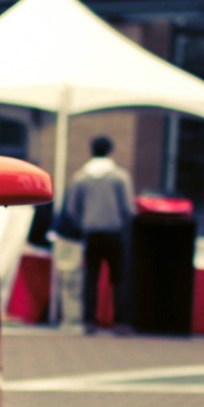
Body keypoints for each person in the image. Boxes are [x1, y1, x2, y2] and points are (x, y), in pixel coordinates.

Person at [64, 135, 134, 333]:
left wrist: (82, 223)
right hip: (114, 232)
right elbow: (128, 207)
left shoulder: (81, 176)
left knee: (91, 278)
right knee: (118, 278)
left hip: (91, 233)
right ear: (110, 150)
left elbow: (71, 208)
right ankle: (120, 322)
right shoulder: (119, 176)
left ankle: (89, 321)